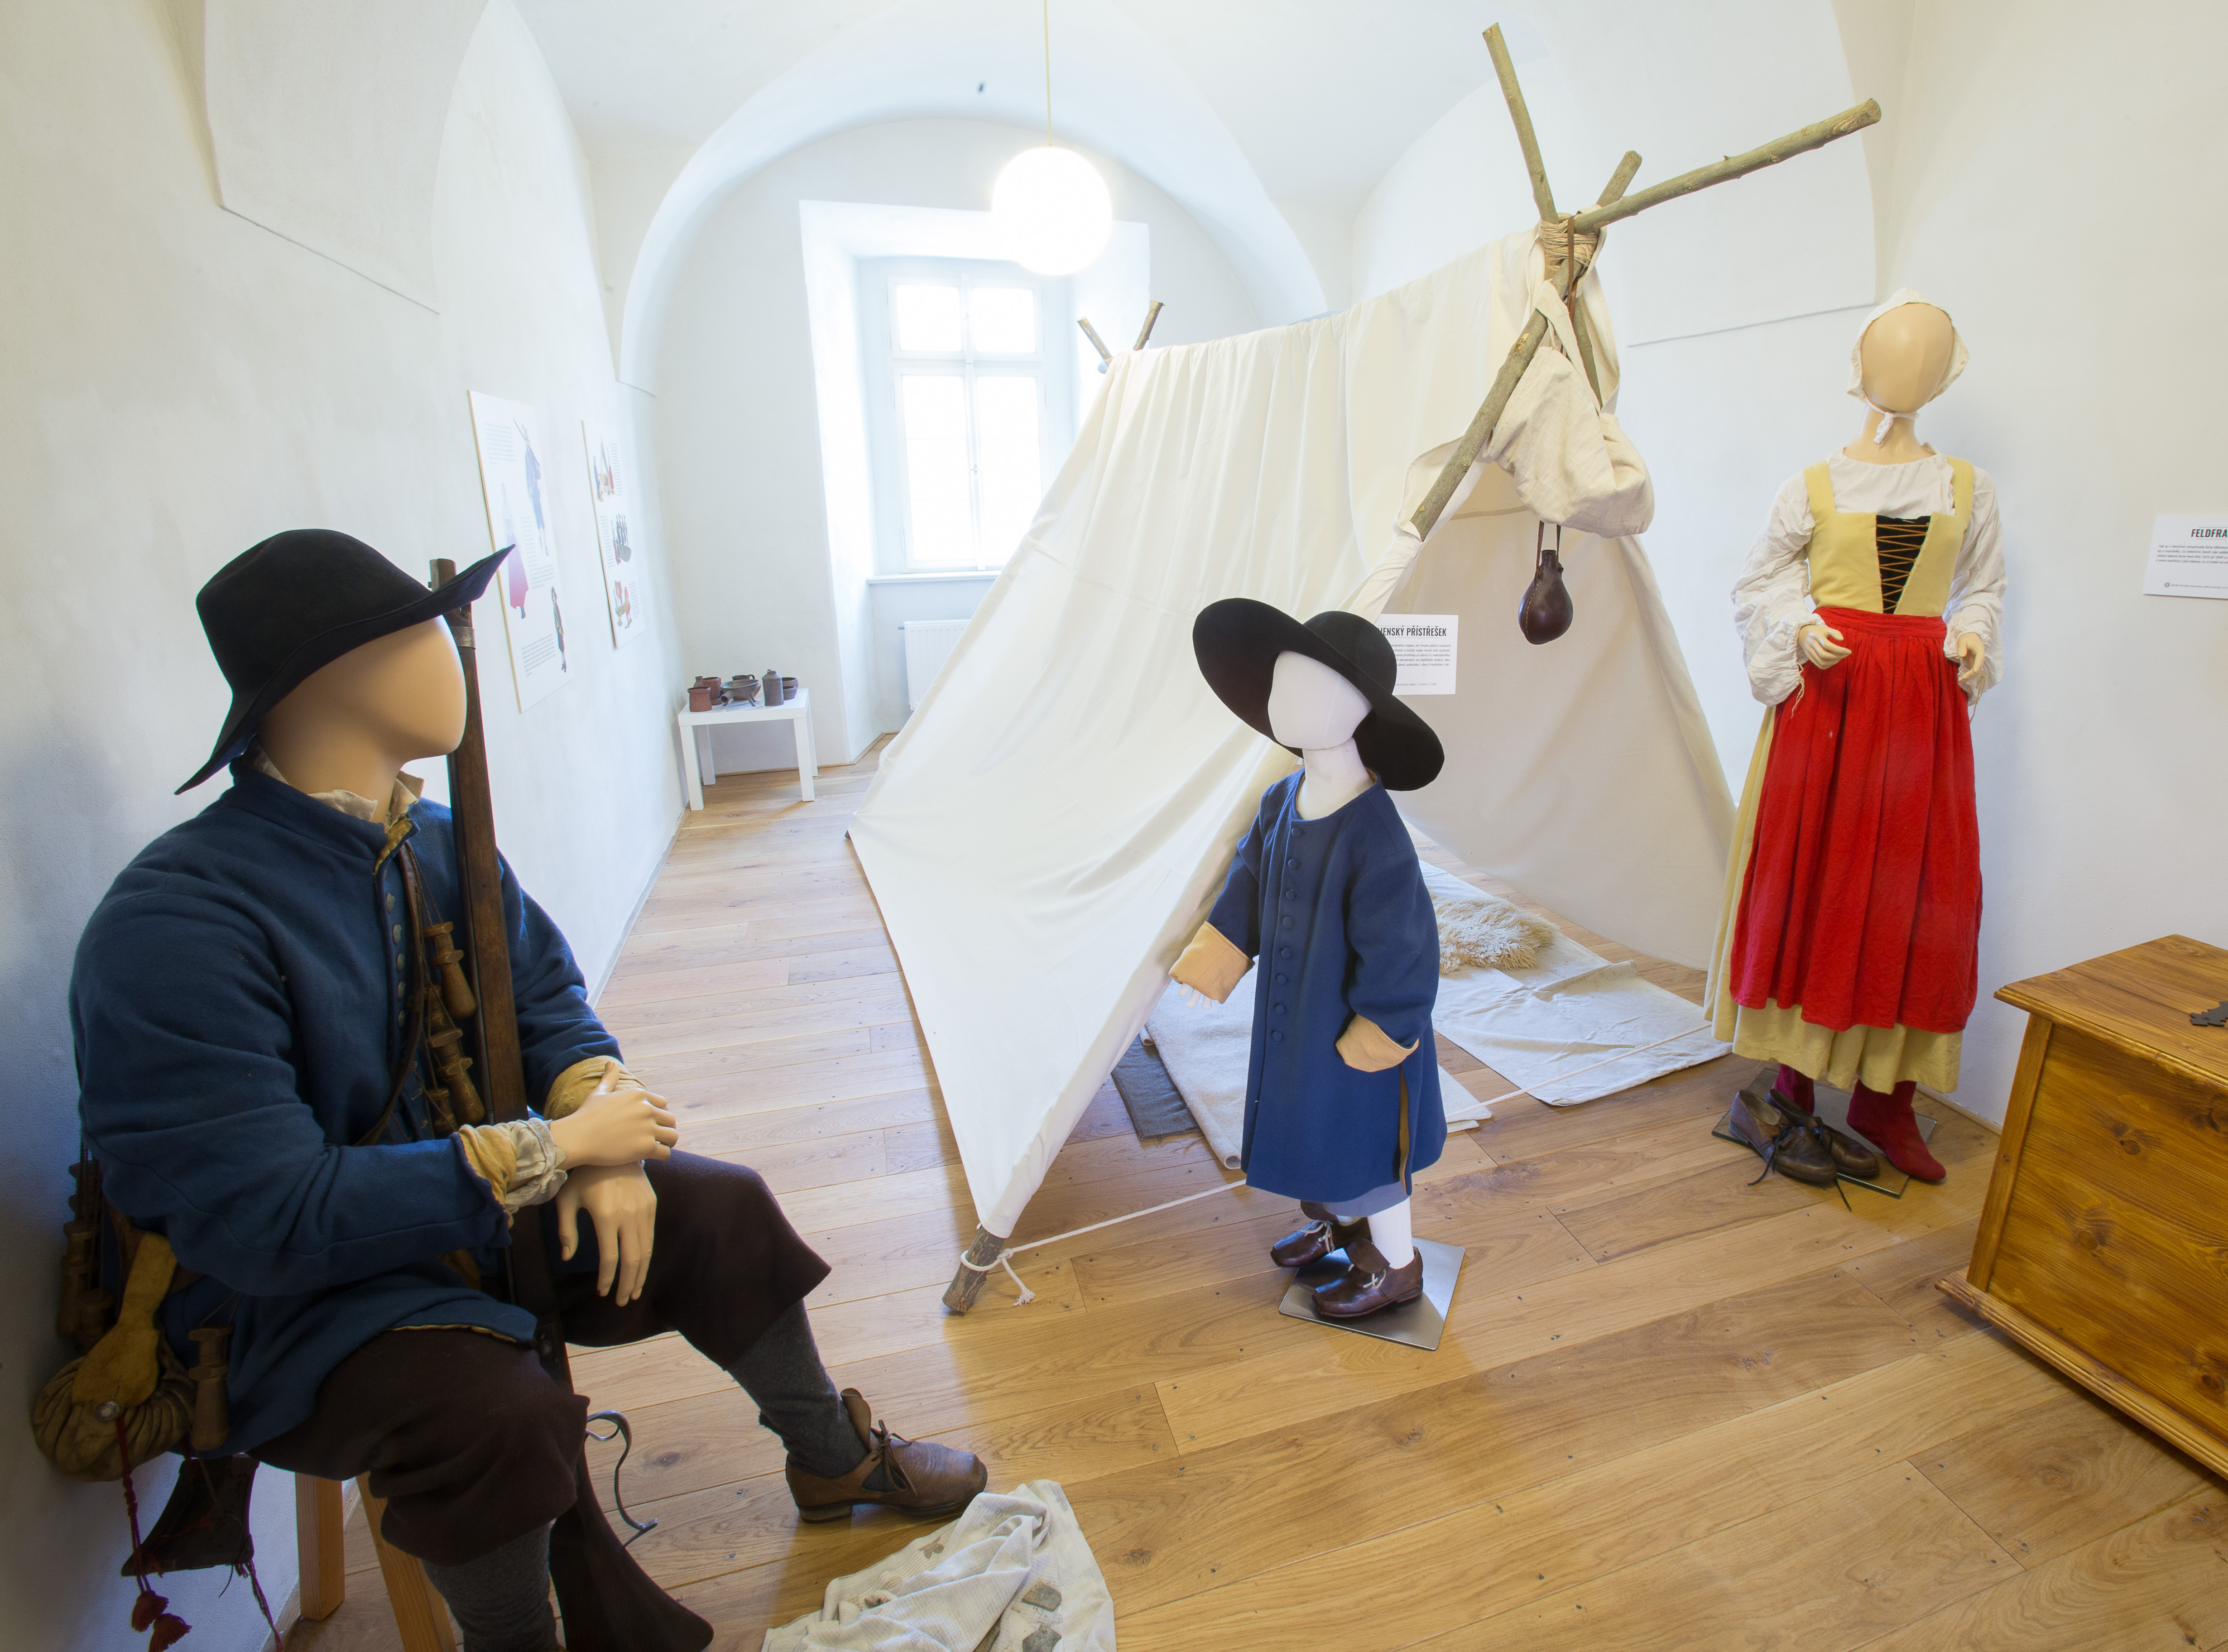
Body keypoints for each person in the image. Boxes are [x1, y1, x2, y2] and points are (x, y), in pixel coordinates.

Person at [71, 530, 984, 1652]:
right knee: (492, 1416)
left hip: (472, 1222)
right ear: (332, 677)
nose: (453, 654)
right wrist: (557, 1154)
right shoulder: (175, 924)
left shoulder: (436, 842)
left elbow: (545, 1000)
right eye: (420, 633)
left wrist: (602, 1130)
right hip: (296, 1302)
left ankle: (833, 1459)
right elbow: (265, 1220)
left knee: (724, 1212)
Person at [1706, 292, 2007, 1182]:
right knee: (1814, 879)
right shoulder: (1813, 485)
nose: (1907, 372)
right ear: (1860, 365)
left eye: (1926, 357)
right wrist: (1798, 626)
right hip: (1829, 702)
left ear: (1947, 373)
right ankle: (1791, 1084)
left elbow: (1985, 587)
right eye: (1892, 354)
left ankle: (1890, 1099)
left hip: (1920, 709)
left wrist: (1972, 634)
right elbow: (1757, 584)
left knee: (1917, 897)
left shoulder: (1968, 487)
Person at [1170, 600, 1446, 1319]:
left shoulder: (1377, 836)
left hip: (1358, 1028)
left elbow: (1406, 947)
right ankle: (1337, 1226)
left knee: (1364, 1143)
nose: (1281, 700)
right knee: (1309, 1125)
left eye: (1310, 687)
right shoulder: (1281, 799)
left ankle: (1398, 1267)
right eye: (1280, 682)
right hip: (1295, 1016)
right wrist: (1217, 957)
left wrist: (1381, 1030)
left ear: (1358, 710)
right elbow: (1250, 879)